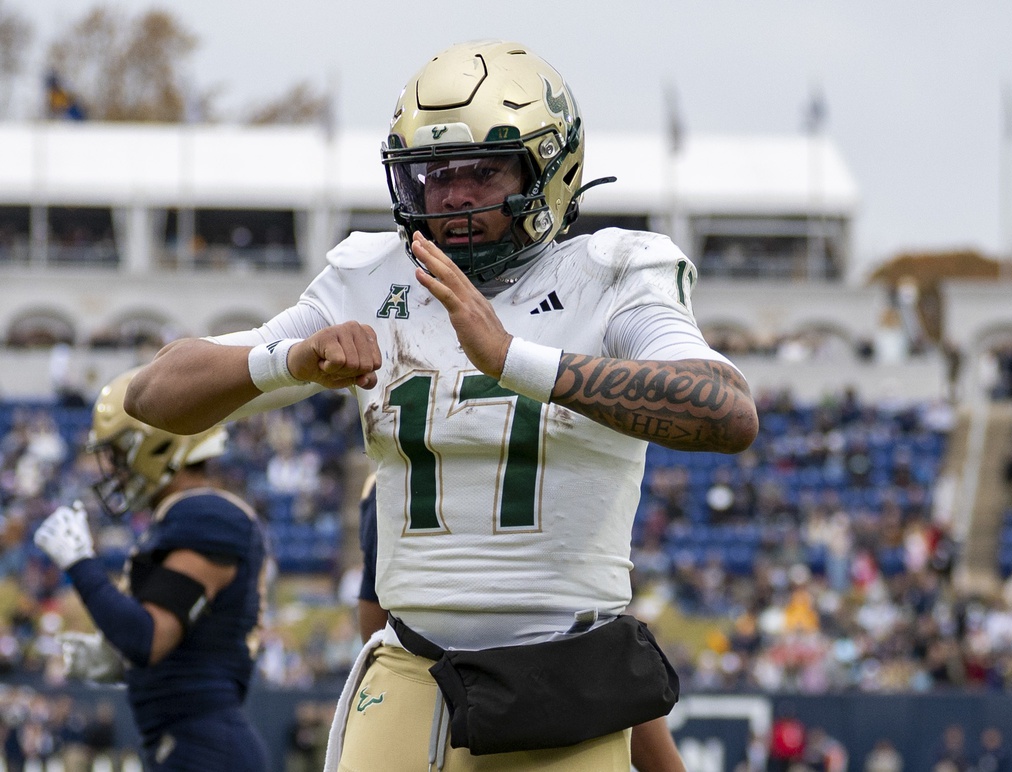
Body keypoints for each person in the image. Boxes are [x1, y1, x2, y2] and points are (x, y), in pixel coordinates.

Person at [125, 39, 758, 771]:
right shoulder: (368, 277)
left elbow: (728, 410)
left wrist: (511, 359)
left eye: (482, 171)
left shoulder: (613, 275)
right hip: (408, 671)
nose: (453, 196)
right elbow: (153, 394)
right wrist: (291, 360)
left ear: (550, 168)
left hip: (560, 678)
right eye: (432, 174)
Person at [355, 478, 687, 772]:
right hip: (556, 720)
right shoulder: (580, 470)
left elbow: (376, 628)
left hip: (421, 716)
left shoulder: (387, 481)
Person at [33, 368, 270, 771]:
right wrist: (120, 660)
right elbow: (169, 646)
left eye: (121, 453)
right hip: (188, 742)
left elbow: (148, 638)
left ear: (159, 443)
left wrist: (80, 565)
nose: (113, 469)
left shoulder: (205, 514)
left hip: (206, 748)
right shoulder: (181, 516)